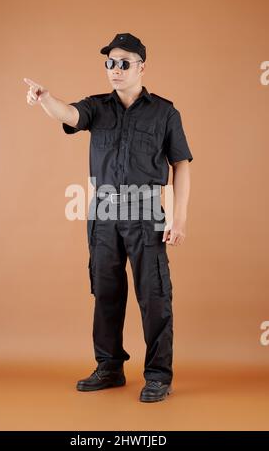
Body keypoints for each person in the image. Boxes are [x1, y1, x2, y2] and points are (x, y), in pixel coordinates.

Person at [24, 32, 193, 403]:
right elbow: (69, 114)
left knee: (154, 296)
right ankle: (110, 367)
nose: (115, 70)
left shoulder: (165, 112)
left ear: (141, 67)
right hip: (103, 218)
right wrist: (45, 99)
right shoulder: (97, 107)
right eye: (109, 63)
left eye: (123, 63)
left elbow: (180, 164)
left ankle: (158, 375)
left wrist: (179, 219)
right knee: (106, 294)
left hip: (148, 217)